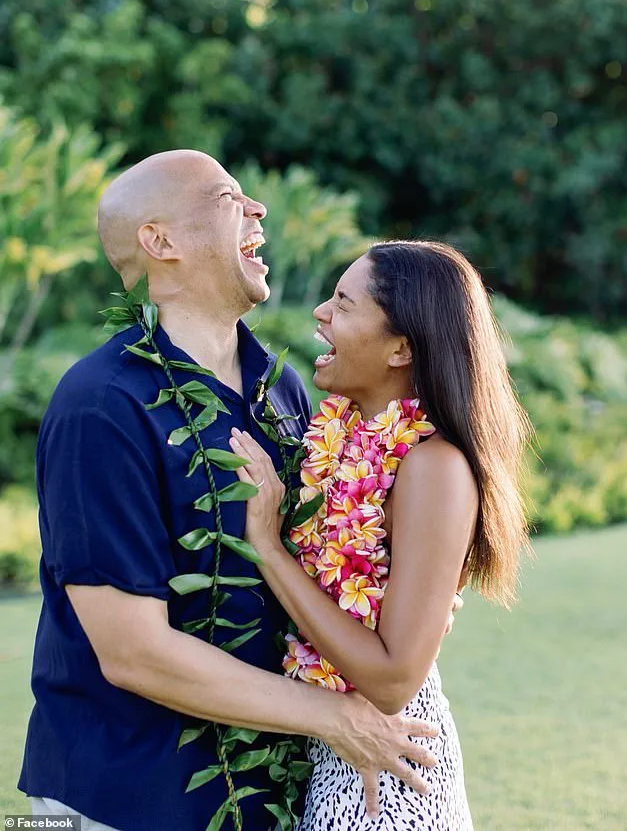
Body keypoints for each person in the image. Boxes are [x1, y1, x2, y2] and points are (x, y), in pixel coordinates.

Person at [17, 151, 454, 831]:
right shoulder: (100, 406)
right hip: (120, 798)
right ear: (161, 242)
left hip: (261, 800)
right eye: (229, 197)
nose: (258, 210)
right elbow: (132, 650)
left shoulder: (283, 392)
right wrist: (338, 716)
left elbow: (333, 561)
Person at [228, 241, 532, 829]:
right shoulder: (339, 441)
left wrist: (267, 547)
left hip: (389, 775)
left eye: (342, 303)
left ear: (401, 348)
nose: (320, 313)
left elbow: (393, 681)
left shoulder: (433, 465)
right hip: (338, 753)